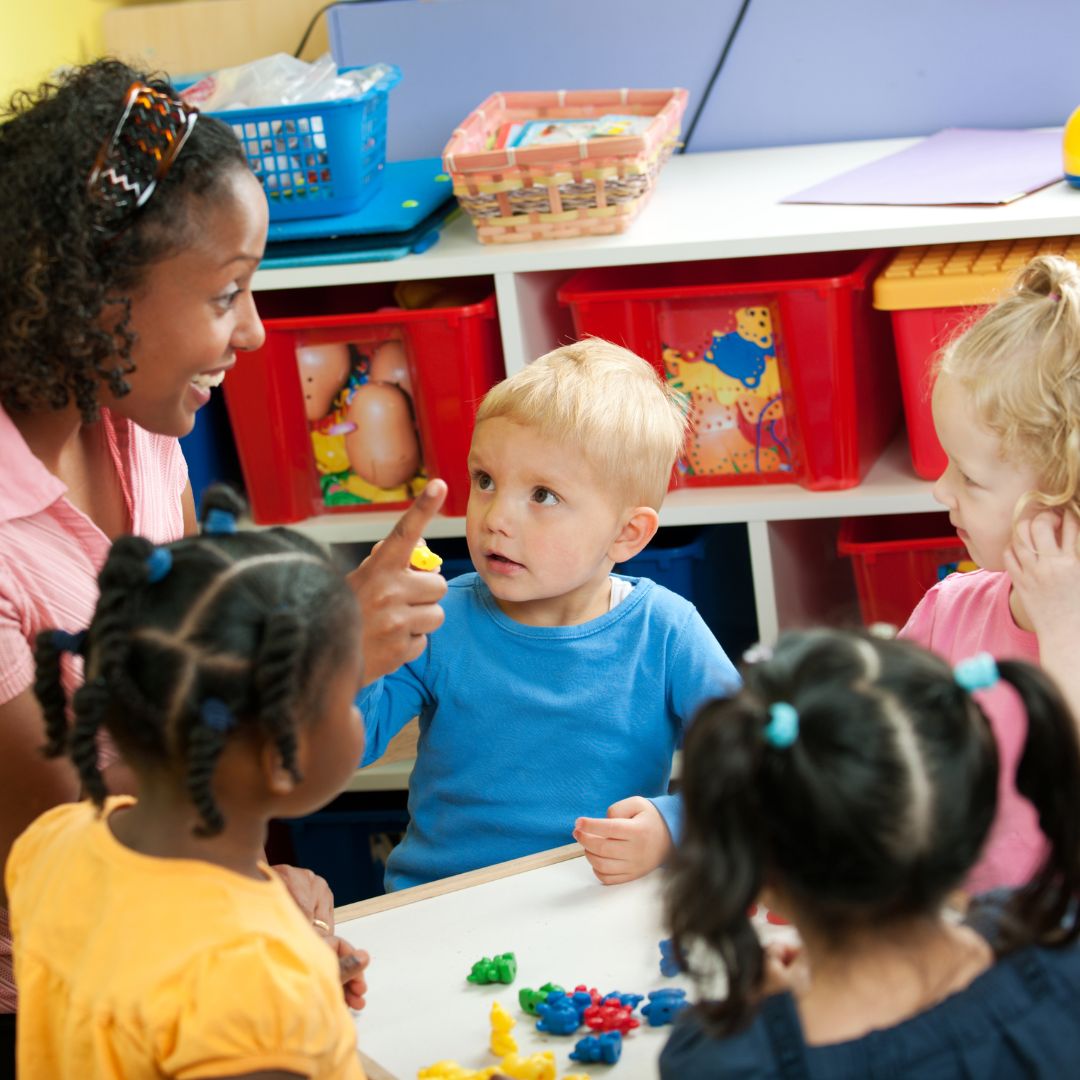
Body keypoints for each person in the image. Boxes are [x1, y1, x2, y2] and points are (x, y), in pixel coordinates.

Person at [0, 59, 447, 1063]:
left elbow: (181, 659)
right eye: (228, 294)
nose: (254, 332)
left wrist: (245, 896)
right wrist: (323, 655)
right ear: (90, 298)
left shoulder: (134, 416)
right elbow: (63, 841)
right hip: (68, 994)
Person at [6, 491, 372, 1078]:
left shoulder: (56, 837)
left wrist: (292, 984)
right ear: (283, 753)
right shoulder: (251, 983)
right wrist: (281, 1003)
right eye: (351, 689)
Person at [358, 339, 740, 891]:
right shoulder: (438, 618)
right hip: (444, 903)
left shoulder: (667, 632)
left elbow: (755, 769)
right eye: (485, 481)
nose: (496, 518)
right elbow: (350, 743)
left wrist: (672, 828)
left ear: (627, 534)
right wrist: (357, 643)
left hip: (594, 903)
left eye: (543, 495)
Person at [660, 628, 1080, 1079]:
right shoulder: (1063, 959)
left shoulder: (728, 1064)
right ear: (972, 821)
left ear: (757, 875)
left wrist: (767, 1014)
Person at [900, 253, 1080, 894]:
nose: (940, 490)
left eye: (970, 478)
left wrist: (1063, 627)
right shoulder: (949, 612)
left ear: (1066, 499)